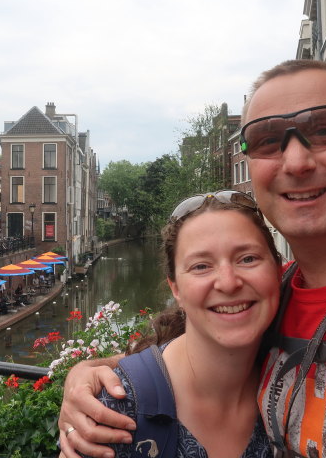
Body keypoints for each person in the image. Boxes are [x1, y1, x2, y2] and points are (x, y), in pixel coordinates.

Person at [58, 59, 326, 457]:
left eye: (324, 131)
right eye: (269, 141)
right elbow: (200, 346)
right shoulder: (275, 293)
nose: (297, 162)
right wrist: (92, 374)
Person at [81, 191, 280, 457]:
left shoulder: (297, 381)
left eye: (248, 259)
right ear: (176, 288)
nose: (229, 282)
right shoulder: (116, 409)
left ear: (279, 270)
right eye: (201, 266)